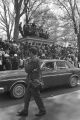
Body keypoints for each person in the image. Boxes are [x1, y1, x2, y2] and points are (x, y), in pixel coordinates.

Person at [17, 47, 46, 117]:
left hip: (34, 82)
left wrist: (25, 62)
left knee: (37, 98)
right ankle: (25, 111)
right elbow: (29, 70)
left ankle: (42, 110)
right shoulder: (32, 59)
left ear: (32, 52)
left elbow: (27, 69)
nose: (28, 53)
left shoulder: (35, 60)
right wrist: (27, 62)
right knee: (26, 97)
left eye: (29, 52)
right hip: (31, 81)